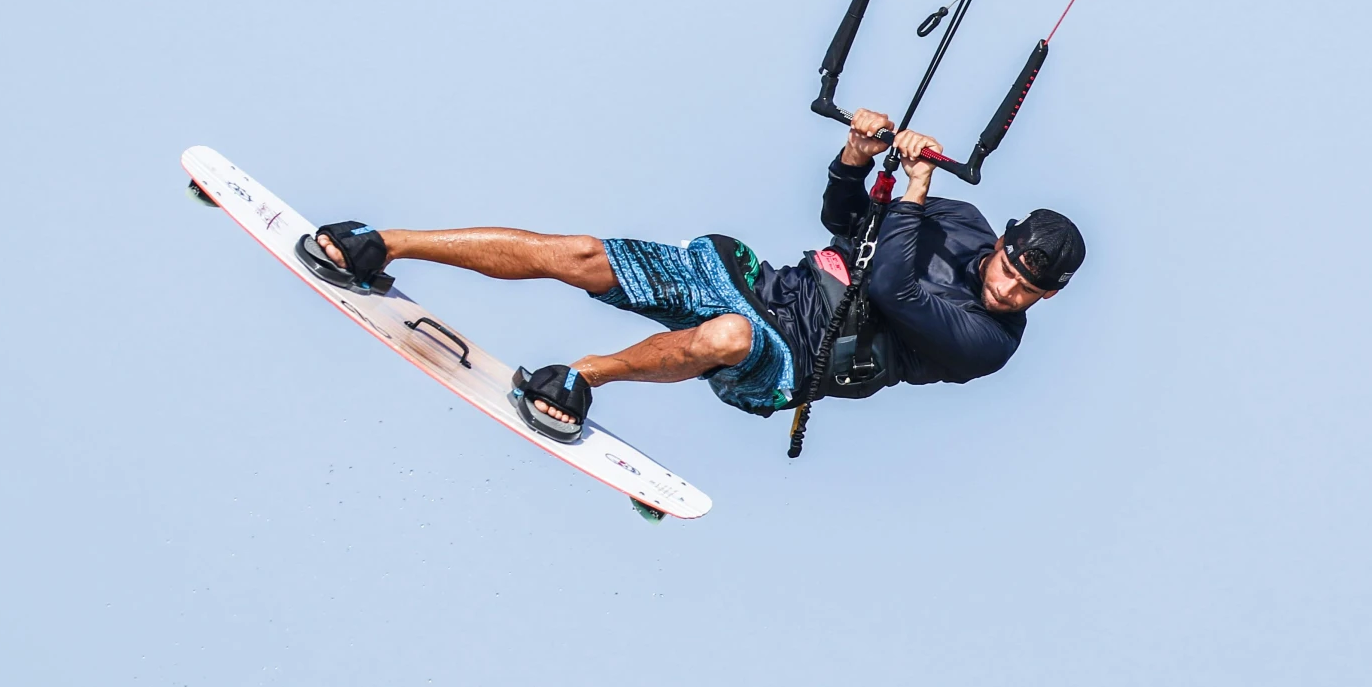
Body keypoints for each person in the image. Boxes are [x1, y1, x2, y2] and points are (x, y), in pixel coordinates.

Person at [304, 109, 1085, 441]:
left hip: (792, 362)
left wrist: (912, 183)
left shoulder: (991, 341)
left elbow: (892, 290)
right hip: (764, 281)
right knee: (583, 254)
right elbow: (846, 225)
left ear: (1046, 299)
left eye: (1030, 291)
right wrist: (857, 154)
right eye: (1012, 270)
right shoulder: (964, 225)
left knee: (729, 336)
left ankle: (579, 379)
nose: (1011, 289)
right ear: (1005, 242)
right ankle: (386, 244)